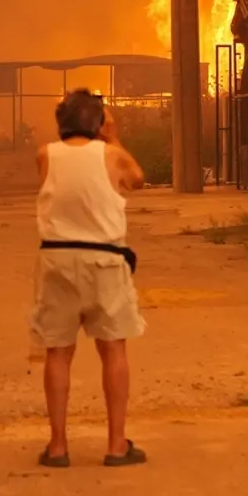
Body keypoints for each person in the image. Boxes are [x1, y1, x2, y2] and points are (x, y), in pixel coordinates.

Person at [30, 89, 147, 468]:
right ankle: (116, 445)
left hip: (57, 260)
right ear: (99, 122)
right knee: (113, 349)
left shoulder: (46, 155)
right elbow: (137, 179)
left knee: (58, 352)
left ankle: (58, 446)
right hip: (104, 260)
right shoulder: (111, 154)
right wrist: (112, 136)